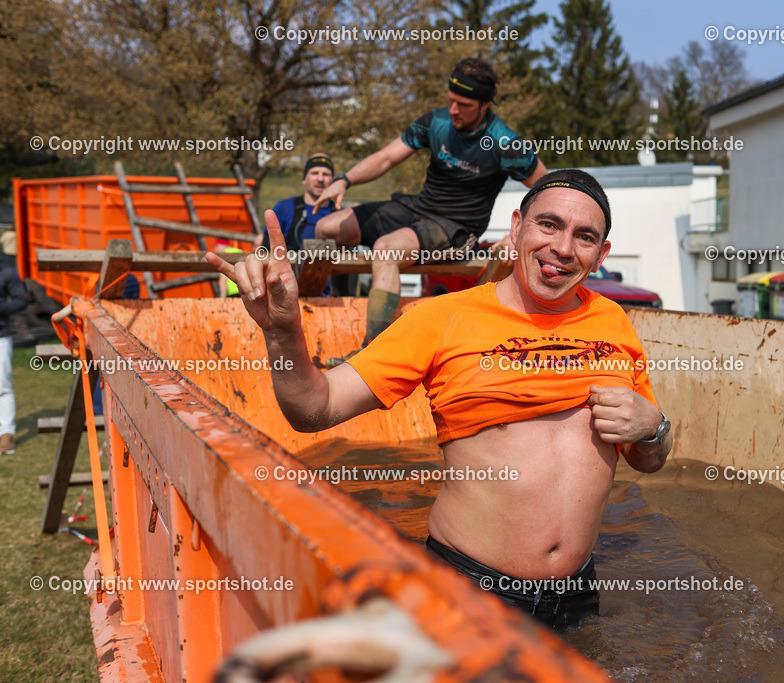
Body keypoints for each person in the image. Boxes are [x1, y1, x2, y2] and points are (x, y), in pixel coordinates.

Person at [207, 169, 672, 630]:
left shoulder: (614, 322)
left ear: (601, 253)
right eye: (548, 224)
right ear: (516, 228)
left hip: (577, 596)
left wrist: (655, 428)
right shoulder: (442, 318)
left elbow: (648, 460)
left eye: (584, 236)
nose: (563, 249)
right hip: (472, 590)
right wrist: (283, 331)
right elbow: (314, 409)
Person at [311, 57, 548, 349]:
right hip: (418, 209)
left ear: (485, 105)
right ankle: (343, 310)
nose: (453, 110)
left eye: (463, 104)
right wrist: (343, 179)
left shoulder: (505, 143)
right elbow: (386, 157)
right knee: (327, 228)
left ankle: (370, 351)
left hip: (455, 229)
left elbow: (547, 188)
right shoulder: (435, 122)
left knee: (384, 250)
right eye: (451, 100)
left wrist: (517, 235)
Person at [257, 153, 338, 295]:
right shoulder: (285, 208)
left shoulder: (342, 215)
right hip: (288, 294)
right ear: (304, 179)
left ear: (333, 180)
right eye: (314, 173)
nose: (320, 179)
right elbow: (264, 253)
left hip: (332, 299)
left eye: (326, 174)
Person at [0, 258, 27, 453]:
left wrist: (2, 309)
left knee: (3, 386)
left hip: (1, 337)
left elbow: (21, 300)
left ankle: (6, 434)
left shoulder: (7, 271)